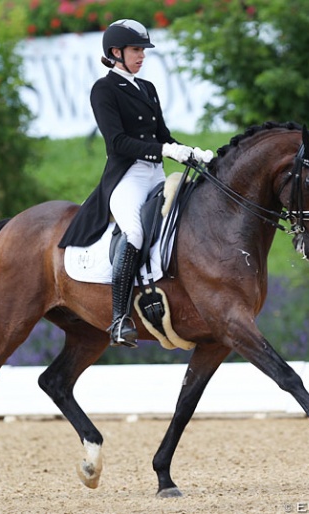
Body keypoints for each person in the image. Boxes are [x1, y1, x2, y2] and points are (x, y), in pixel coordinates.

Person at [58, 19, 212, 348]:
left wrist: (190, 152)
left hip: (155, 173)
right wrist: (165, 149)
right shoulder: (104, 90)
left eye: (143, 50)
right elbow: (117, 143)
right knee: (135, 232)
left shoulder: (147, 88)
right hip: (126, 177)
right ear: (116, 53)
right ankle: (119, 318)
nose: (142, 56)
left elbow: (163, 136)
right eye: (136, 50)